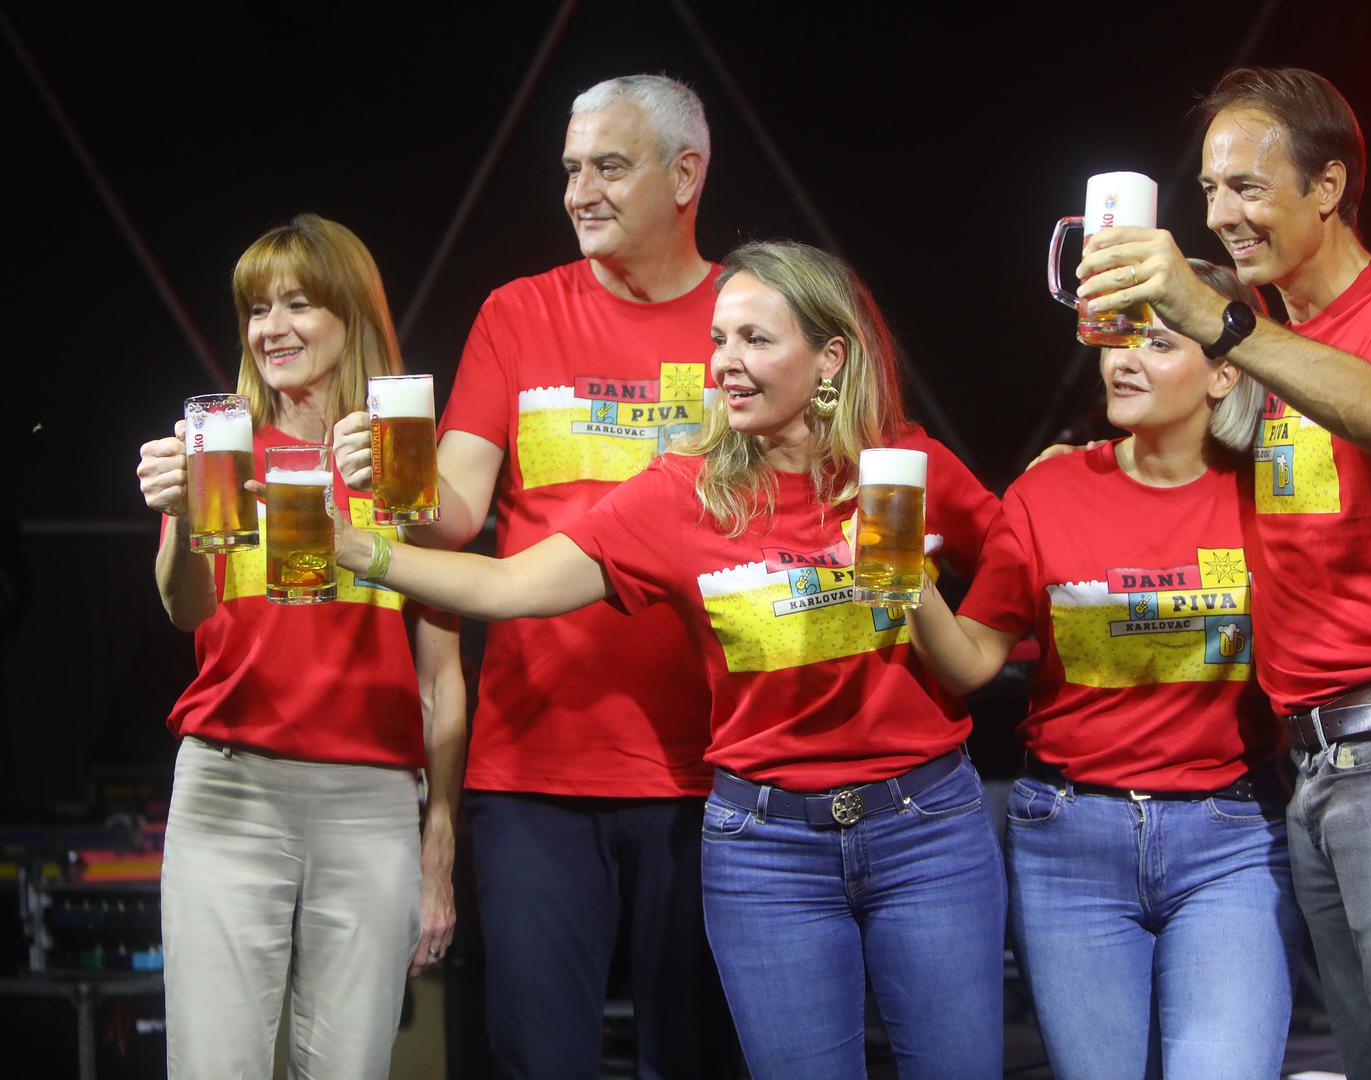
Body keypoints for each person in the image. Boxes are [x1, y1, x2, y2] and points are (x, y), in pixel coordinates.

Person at [334, 240, 1007, 1079]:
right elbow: (508, 586)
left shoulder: (903, 469)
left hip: (927, 829)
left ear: (830, 356)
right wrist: (360, 548)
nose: (725, 363)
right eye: (719, 340)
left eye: (755, 341)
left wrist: (974, 627)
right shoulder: (681, 493)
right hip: (766, 847)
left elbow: (1019, 555)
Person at [1075, 67, 1371, 1079]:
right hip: (1322, 752)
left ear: (1329, 187)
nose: (1222, 213)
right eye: (1209, 189)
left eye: (1248, 187)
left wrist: (1225, 320)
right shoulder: (1275, 335)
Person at [335, 74, 737, 1077]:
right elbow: (459, 512)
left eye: (609, 165)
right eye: (569, 169)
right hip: (534, 770)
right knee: (537, 1060)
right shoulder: (518, 313)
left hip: (708, 763)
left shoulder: (749, 315)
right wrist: (388, 476)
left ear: (686, 174)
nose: (579, 192)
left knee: (690, 1059)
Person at [906, 260, 1300, 1079]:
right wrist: (906, 583)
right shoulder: (1048, 490)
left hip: (1228, 838)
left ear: (1226, 370)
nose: (1123, 359)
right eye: (1117, 335)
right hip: (1070, 842)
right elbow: (975, 658)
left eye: (1158, 340)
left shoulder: (1271, 496)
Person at [133, 212, 466, 1079]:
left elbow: (442, 680)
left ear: (352, 314)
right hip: (228, 795)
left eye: (299, 304)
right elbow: (182, 611)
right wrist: (175, 517)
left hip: (371, 806)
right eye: (257, 309)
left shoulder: (401, 464)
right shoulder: (220, 449)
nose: (271, 328)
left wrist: (438, 848)